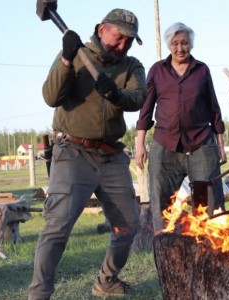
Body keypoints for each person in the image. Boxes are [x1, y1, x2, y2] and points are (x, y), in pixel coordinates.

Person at [27, 8, 146, 300]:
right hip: (72, 153)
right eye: (119, 38)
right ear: (102, 28)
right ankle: (39, 294)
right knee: (57, 228)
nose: (123, 46)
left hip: (112, 157)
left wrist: (116, 94)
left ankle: (106, 280)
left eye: (129, 41)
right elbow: (50, 96)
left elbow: (139, 98)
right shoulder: (75, 54)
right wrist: (67, 60)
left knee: (128, 225)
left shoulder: (131, 65)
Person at [135, 22, 227, 232]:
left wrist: (220, 144)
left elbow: (214, 108)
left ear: (191, 45)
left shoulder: (201, 70)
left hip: (200, 143)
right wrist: (140, 144)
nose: (180, 48)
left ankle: (205, 244)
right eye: (175, 43)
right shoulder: (158, 70)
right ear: (169, 45)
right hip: (165, 143)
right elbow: (146, 109)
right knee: (160, 200)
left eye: (184, 43)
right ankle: (164, 244)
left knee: (206, 202)